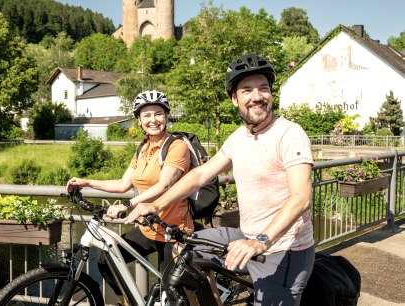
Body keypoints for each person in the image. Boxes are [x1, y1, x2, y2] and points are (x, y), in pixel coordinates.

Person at [125, 54, 315, 306]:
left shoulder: (290, 134)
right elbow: (201, 174)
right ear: (234, 99)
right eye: (247, 90)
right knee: (185, 251)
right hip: (246, 233)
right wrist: (156, 204)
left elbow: (301, 197)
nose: (257, 96)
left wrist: (260, 241)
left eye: (263, 88)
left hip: (284, 248)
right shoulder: (238, 137)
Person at [66, 90, 193, 306]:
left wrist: (128, 204)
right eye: (147, 115)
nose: (153, 120)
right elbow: (124, 184)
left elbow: (165, 185)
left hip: (174, 230)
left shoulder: (176, 146)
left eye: (158, 114)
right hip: (148, 228)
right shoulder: (143, 149)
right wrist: (87, 182)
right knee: (107, 261)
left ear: (167, 116)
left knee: (171, 295)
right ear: (139, 120)